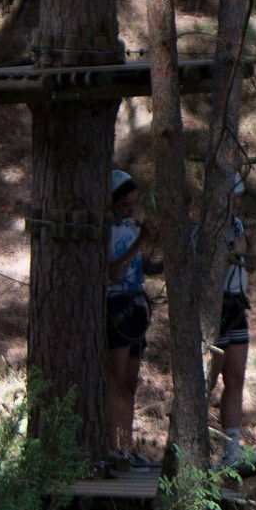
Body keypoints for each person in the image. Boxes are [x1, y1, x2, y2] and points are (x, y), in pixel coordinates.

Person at [105, 166, 157, 468]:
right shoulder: (108, 231)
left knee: (130, 383)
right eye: (125, 204)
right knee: (115, 381)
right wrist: (140, 240)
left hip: (138, 306)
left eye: (133, 204)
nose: (130, 209)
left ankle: (125, 446)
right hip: (117, 307)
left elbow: (145, 266)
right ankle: (113, 447)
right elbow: (113, 271)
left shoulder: (133, 227)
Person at [203, 177, 253, 471]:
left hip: (236, 302)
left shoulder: (238, 226)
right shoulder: (208, 229)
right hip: (216, 304)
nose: (237, 203)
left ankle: (231, 448)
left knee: (235, 378)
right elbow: (214, 265)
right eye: (233, 197)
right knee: (208, 379)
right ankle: (196, 447)